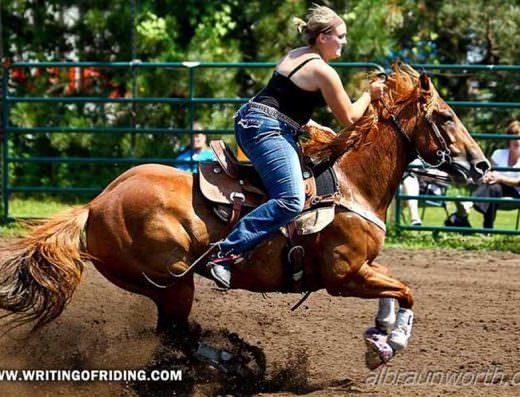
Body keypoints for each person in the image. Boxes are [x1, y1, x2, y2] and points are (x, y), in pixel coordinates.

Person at [208, 5, 385, 288]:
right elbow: (351, 116)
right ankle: (226, 252)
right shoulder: (322, 71)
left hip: (254, 122)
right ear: (324, 36)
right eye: (341, 35)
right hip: (267, 130)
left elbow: (283, 98)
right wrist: (369, 94)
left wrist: (306, 124)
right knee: (291, 199)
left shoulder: (297, 56)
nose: (345, 41)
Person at [445, 120, 520, 228]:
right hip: (495, 188)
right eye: (514, 136)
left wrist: (500, 178)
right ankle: (487, 228)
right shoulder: (498, 153)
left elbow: (518, 181)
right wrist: (488, 176)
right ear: (509, 139)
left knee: (494, 187)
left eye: (519, 136)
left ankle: (466, 208)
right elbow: (489, 171)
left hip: (515, 191)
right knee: (494, 188)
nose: (516, 140)